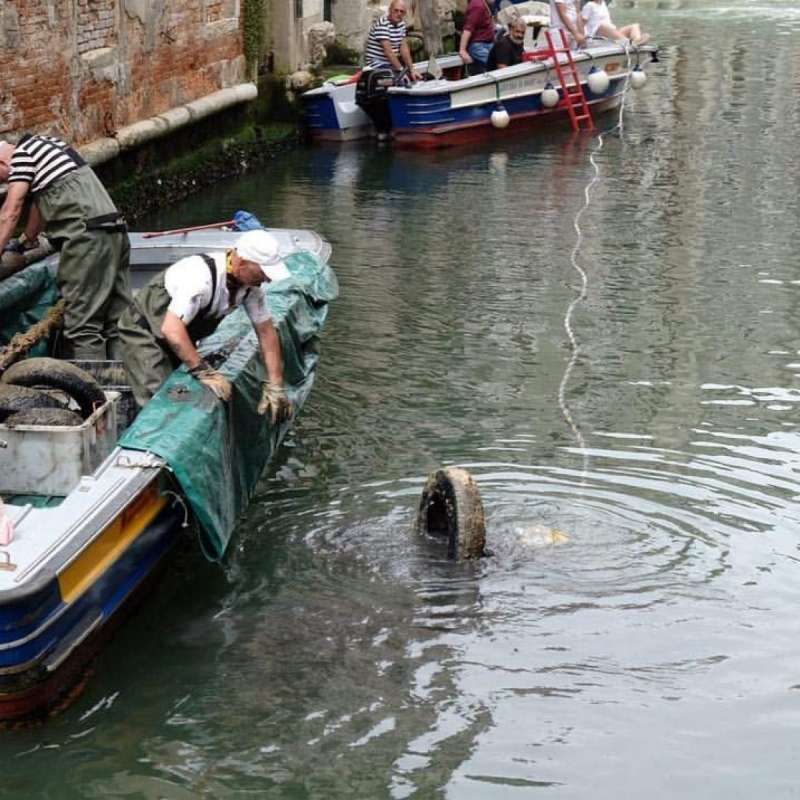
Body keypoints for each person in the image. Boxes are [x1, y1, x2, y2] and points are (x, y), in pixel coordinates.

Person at [117, 229, 294, 424]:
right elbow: (171, 328)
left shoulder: (250, 288)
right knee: (159, 400)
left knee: (183, 391)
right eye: (263, 272)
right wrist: (204, 371)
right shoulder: (200, 279)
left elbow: (266, 333)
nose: (267, 279)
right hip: (145, 332)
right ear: (241, 262)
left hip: (179, 336)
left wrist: (276, 385)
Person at [0, 134, 132, 360]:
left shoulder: (22, 157)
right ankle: (125, 385)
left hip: (86, 239)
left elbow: (10, 212)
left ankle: (92, 394)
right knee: (117, 320)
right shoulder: (49, 145)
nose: (6, 182)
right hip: (114, 231)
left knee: (83, 327)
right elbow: (41, 201)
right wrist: (25, 241)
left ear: (2, 163)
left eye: (2, 178)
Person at [364, 0, 421, 79]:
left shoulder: (401, 24)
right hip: (377, 65)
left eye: (402, 11)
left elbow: (404, 48)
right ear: (390, 10)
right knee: (401, 80)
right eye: (396, 10)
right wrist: (401, 71)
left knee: (413, 76)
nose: (399, 13)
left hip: (390, 64)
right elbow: (388, 52)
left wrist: (412, 69)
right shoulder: (383, 24)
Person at [581, 0, 650, 46]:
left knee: (635, 25)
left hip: (611, 32)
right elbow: (582, 24)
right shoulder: (589, 6)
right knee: (603, 26)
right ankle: (629, 43)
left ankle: (636, 41)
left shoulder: (603, 3)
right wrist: (584, 38)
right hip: (597, 34)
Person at [459, 0, 497, 73]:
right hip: (479, 46)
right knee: (495, 65)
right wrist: (462, 50)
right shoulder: (477, 5)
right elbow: (468, 29)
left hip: (487, 44)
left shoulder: (485, 4)